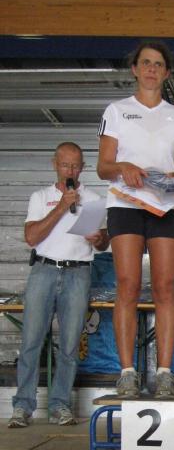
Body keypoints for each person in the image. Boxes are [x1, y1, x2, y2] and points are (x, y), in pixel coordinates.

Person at [97, 40, 174, 398]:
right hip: (125, 205)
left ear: (166, 73)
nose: (152, 69)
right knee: (126, 284)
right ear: (135, 69)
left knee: (164, 287)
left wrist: (171, 177)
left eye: (158, 64)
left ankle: (165, 373)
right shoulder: (117, 110)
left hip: (164, 207)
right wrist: (123, 166)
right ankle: (126, 373)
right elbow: (103, 167)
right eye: (146, 63)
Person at [8, 142, 107, 428]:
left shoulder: (94, 199)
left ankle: (60, 405)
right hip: (44, 270)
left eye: (75, 166)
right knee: (31, 341)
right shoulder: (40, 197)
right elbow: (32, 237)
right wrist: (62, 207)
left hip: (78, 273)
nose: (70, 171)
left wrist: (99, 239)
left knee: (70, 345)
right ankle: (23, 406)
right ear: (55, 165)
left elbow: (103, 243)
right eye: (65, 165)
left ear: (83, 168)